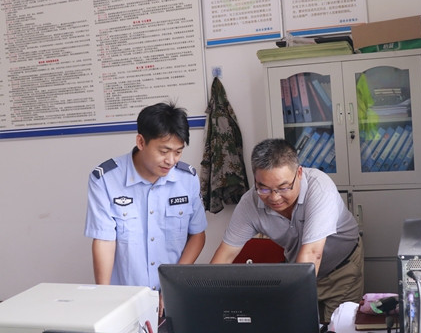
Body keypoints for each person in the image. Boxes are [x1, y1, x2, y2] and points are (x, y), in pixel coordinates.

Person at [211, 138, 363, 326]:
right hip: (298, 270)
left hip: (341, 269)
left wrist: (290, 304)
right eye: (264, 188)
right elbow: (225, 256)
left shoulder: (319, 188)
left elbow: (312, 253)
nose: (274, 198)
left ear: (299, 173)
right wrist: (206, 298)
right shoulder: (250, 203)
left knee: (338, 326)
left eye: (283, 188)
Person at [84, 101, 207, 313]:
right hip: (124, 297)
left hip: (173, 297)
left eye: (178, 152)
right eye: (164, 151)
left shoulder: (187, 179)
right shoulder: (105, 180)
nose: (171, 161)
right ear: (141, 142)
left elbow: (197, 235)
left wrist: (173, 285)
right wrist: (104, 297)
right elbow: (104, 240)